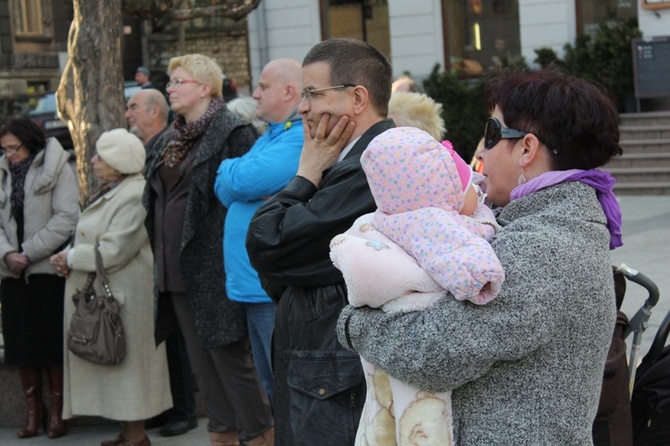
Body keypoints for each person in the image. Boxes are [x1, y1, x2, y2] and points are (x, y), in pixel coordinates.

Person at [337, 67, 624, 445]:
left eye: (492, 133)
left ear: (527, 149)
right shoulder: (549, 225)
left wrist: (353, 323)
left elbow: (433, 352)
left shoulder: (543, 246)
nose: (482, 151)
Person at [245, 38, 395, 445]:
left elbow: (267, 245)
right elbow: (277, 265)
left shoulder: (373, 165)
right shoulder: (350, 159)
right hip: (324, 375)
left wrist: (304, 174)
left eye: (312, 93)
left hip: (333, 381)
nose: (303, 107)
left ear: (358, 98)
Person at [330, 126, 503, 445]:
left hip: (383, 329)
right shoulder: (435, 223)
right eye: (467, 187)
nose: (476, 194)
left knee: (381, 412)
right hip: (417, 321)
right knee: (423, 419)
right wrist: (483, 277)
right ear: (443, 191)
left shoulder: (384, 217)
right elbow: (462, 259)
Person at [143, 53, 274, 446]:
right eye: (169, 81)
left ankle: (259, 434)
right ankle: (222, 433)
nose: (170, 88)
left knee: (230, 358)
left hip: (217, 265)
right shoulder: (171, 138)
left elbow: (247, 198)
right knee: (202, 363)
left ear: (205, 87)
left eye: (178, 81)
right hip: (175, 266)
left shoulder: (233, 132)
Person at [50, 129, 172, 446]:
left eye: (100, 156)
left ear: (118, 163)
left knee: (127, 371)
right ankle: (128, 433)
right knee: (118, 369)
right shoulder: (114, 190)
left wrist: (70, 256)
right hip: (113, 297)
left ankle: (136, 437)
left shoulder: (133, 194)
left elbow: (114, 251)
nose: (92, 161)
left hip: (124, 301)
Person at [214, 58, 304, 406]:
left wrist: (235, 177)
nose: (254, 93)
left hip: (269, 287)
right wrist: (234, 176)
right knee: (271, 384)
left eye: (263, 86)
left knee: (283, 388)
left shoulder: (296, 138)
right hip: (253, 285)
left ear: (288, 91)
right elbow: (223, 184)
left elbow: (240, 179)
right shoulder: (272, 135)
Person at [125, 89, 199, 437]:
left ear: (155, 112)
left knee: (179, 338)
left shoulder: (166, 145)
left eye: (134, 107)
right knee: (166, 336)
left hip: (172, 258)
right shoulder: (151, 148)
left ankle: (183, 410)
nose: (128, 114)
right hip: (158, 257)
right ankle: (169, 407)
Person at [0, 115, 79, 439]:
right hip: (11, 273)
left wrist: (28, 252)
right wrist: (6, 254)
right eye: (3, 150)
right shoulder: (3, 171)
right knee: (20, 347)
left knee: (50, 345)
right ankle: (35, 412)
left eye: (13, 148)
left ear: (29, 144)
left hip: (46, 272)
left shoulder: (58, 167)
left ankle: (57, 413)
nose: (9, 155)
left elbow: (66, 217)